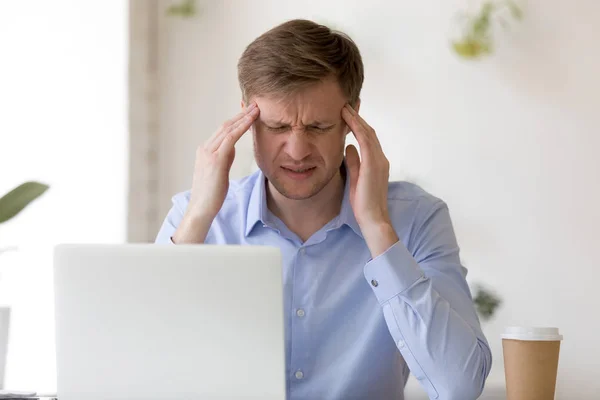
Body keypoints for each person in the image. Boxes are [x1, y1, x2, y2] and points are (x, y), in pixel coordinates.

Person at [156, 19, 491, 400]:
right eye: (277, 126)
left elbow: (459, 388)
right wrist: (199, 217)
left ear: (353, 119)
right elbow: (142, 369)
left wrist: (378, 228)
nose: (297, 151)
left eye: (317, 126)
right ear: (246, 118)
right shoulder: (195, 218)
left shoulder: (415, 219)